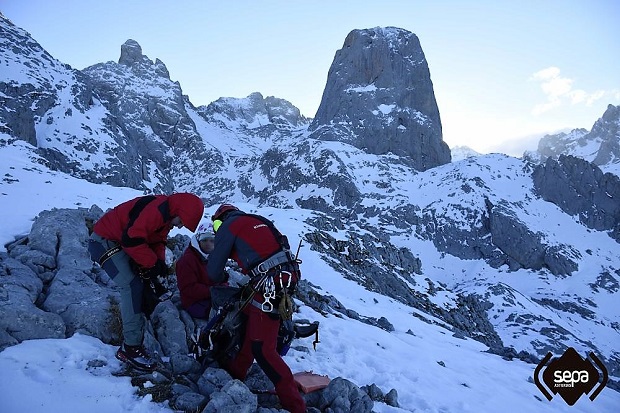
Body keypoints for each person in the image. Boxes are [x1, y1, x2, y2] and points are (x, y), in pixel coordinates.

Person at [207, 203, 306, 413]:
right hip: (283, 279)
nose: (217, 229)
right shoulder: (259, 220)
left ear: (221, 218)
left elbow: (213, 271)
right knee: (249, 329)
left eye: (216, 225)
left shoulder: (228, 226)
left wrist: (222, 276)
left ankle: (296, 407)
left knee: (263, 349)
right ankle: (236, 375)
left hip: (267, 285)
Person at [88, 193, 204, 371]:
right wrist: (152, 263)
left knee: (144, 283)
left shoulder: (166, 216)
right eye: (182, 221)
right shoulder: (156, 211)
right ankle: (130, 348)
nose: (180, 226)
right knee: (131, 285)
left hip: (119, 242)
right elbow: (132, 239)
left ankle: (138, 331)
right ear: (179, 211)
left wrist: (158, 265)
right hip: (104, 242)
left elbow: (157, 241)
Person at [176, 223, 226, 319]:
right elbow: (188, 288)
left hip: (211, 297)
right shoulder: (187, 261)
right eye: (204, 240)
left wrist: (223, 287)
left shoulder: (213, 257)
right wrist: (213, 291)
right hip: (194, 303)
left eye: (212, 240)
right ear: (198, 240)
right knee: (226, 314)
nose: (208, 243)